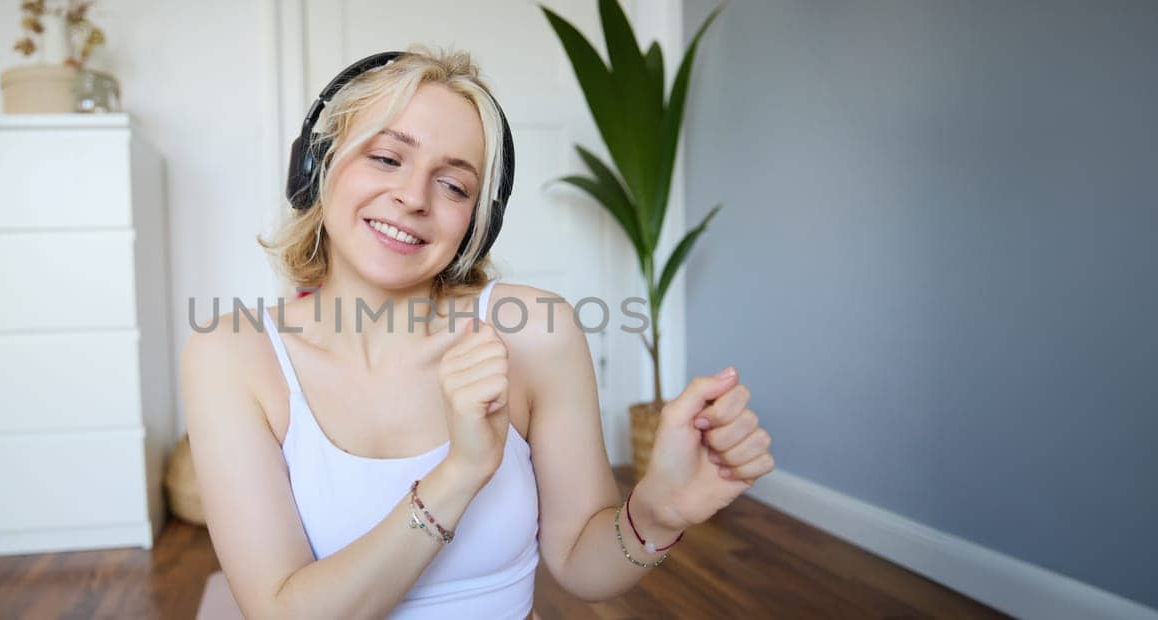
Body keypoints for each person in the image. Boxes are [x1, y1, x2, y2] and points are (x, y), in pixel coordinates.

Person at [180, 45, 775, 619]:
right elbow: (284, 611)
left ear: (474, 226)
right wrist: (459, 474)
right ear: (317, 166)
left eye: (454, 185)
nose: (413, 197)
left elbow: (580, 567)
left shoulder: (535, 333)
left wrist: (659, 509)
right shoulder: (232, 356)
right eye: (387, 158)